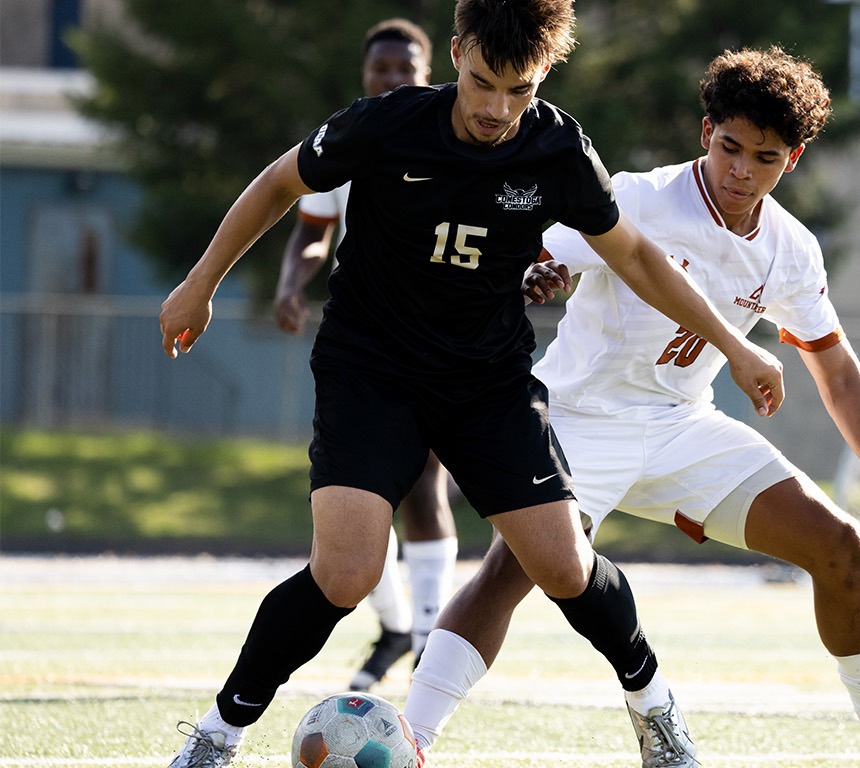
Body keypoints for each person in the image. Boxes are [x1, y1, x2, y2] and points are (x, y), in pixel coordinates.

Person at [158, 2, 784, 767]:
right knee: (346, 574)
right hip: (372, 371)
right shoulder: (386, 123)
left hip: (486, 381)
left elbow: (638, 258)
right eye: (482, 82)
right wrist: (199, 284)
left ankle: (656, 715)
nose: (495, 109)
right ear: (455, 54)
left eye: (517, 90)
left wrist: (735, 345)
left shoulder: (559, 149)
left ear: (543, 76)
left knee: (564, 567)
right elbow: (279, 185)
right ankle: (215, 738)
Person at [403, 47, 860, 768]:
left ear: (795, 157)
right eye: (729, 147)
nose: (741, 171)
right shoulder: (639, 196)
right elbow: (545, 254)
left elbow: (838, 372)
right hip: (576, 419)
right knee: (511, 574)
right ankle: (407, 741)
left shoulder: (791, 248)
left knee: (841, 545)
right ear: (705, 133)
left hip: (681, 427)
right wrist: (543, 274)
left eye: (765, 157)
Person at [273, 17, 459, 692]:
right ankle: (396, 626)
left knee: (424, 485)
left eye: (404, 68)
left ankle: (432, 641)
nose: (390, 79)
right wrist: (292, 284)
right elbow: (313, 232)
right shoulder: (348, 138)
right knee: (355, 497)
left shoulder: (451, 133)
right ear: (364, 75)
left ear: (429, 69)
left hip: (441, 340)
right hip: (366, 341)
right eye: (379, 68)